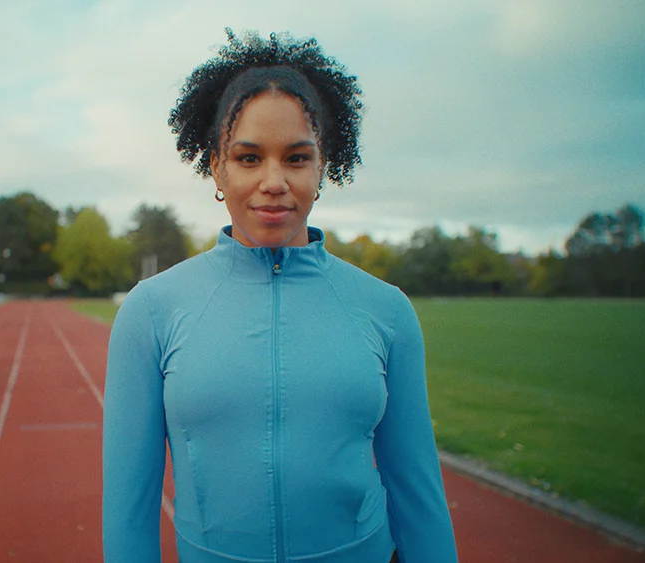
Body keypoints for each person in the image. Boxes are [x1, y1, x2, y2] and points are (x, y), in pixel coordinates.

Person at [103, 29, 458, 563]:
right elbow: (129, 512)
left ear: (324, 166)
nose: (274, 181)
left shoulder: (387, 311)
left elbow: (418, 493)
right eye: (248, 158)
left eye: (296, 158)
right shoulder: (151, 312)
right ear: (216, 166)